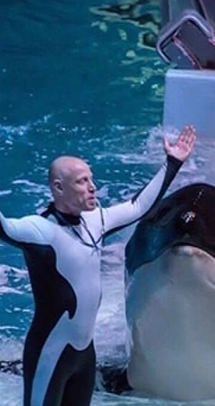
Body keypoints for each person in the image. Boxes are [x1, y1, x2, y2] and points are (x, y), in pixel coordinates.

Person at [0, 125, 196, 406]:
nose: (92, 187)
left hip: (83, 354)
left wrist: (173, 163)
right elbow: (5, 228)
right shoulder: (41, 230)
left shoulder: (95, 220)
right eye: (82, 181)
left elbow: (138, 207)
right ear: (59, 188)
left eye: (91, 179)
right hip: (49, 353)